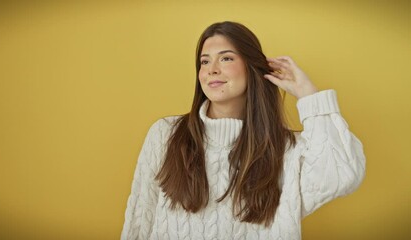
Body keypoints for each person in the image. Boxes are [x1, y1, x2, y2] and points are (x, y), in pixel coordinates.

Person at [121, 21, 366, 240]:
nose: (212, 69)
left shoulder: (286, 149)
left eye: (226, 58)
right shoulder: (165, 134)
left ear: (251, 68)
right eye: (204, 61)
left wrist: (309, 95)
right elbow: (140, 218)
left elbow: (343, 174)